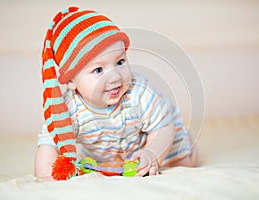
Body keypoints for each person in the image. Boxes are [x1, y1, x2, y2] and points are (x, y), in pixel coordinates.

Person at [34, 6, 198, 181]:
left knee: (184, 161)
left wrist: (152, 154)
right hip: (106, 155)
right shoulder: (67, 109)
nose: (114, 77)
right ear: (72, 81)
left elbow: (164, 126)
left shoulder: (138, 91)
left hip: (151, 138)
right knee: (91, 167)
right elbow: (49, 144)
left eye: (120, 62)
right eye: (98, 70)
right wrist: (46, 177)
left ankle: (185, 146)